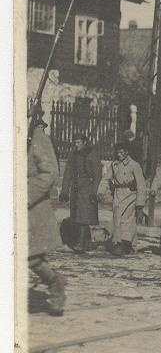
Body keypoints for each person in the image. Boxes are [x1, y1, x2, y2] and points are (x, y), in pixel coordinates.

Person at [28, 116, 65, 316]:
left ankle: (55, 282)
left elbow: (50, 172)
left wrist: (24, 194)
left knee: (30, 258)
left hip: (31, 209)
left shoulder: (36, 137)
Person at [59, 134, 102, 252]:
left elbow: (98, 175)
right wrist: (64, 191)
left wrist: (94, 191)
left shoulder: (92, 154)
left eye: (78, 142)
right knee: (76, 216)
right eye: (75, 142)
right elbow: (68, 173)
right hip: (76, 188)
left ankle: (81, 243)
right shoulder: (73, 155)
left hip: (87, 188)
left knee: (84, 215)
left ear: (84, 142)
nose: (76, 145)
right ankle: (85, 242)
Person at [108, 142, 146, 256]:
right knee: (117, 219)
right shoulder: (114, 165)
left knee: (126, 219)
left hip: (130, 195)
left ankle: (124, 244)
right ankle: (127, 244)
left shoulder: (134, 165)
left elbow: (141, 184)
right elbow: (107, 178)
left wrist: (140, 202)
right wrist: (101, 191)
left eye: (121, 152)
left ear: (126, 152)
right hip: (118, 194)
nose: (119, 154)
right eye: (117, 152)